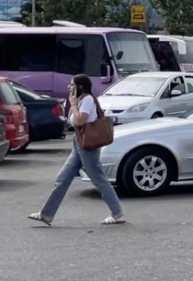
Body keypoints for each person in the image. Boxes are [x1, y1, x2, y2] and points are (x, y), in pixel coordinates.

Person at [28, 74, 126, 226]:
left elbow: (80, 120)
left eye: (72, 84)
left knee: (98, 179)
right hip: (79, 143)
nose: (69, 87)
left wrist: (73, 104)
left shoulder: (86, 100)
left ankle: (117, 213)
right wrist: (73, 103)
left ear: (80, 87)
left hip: (87, 145)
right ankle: (46, 214)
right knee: (63, 178)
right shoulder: (80, 100)